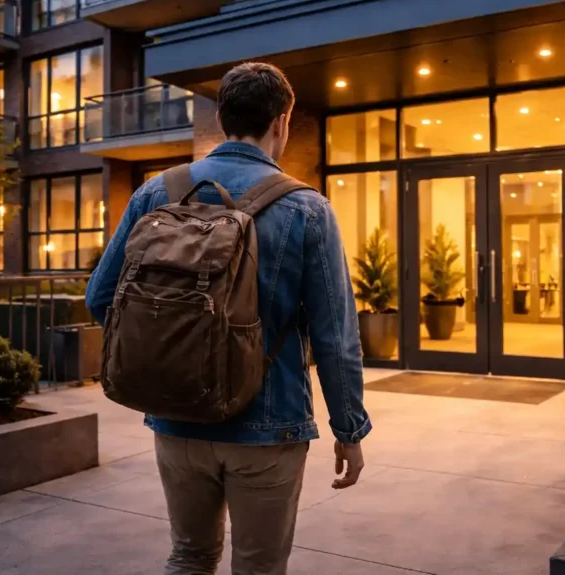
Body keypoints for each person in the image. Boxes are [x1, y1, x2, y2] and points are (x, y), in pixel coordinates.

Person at [85, 62, 372, 575]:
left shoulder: (157, 193)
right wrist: (348, 429)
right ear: (282, 122)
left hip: (177, 422)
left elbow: (101, 297)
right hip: (270, 426)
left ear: (221, 117)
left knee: (189, 557)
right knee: (259, 568)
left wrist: (169, 356)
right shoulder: (307, 208)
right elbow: (336, 336)